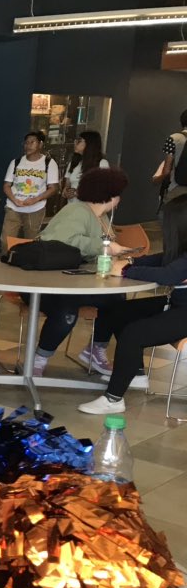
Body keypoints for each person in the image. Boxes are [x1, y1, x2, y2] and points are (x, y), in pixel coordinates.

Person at [78, 194, 187, 414]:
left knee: (133, 334)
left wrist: (127, 270)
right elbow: (163, 260)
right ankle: (135, 373)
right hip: (178, 304)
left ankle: (113, 399)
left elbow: (169, 274)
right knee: (119, 311)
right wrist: (131, 261)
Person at [26, 168, 133, 377]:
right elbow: (62, 242)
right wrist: (108, 248)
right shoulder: (77, 212)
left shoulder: (101, 218)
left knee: (117, 300)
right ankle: (39, 358)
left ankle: (96, 349)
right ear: (110, 194)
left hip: (75, 283)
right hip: (48, 284)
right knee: (67, 310)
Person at [1, 131, 60, 239]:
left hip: (36, 208)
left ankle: (25, 256)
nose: (28, 145)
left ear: (40, 144)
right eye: (26, 143)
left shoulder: (49, 163)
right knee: (6, 240)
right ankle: (7, 256)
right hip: (13, 206)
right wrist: (14, 200)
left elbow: (53, 188)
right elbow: (6, 185)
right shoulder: (16, 162)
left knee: (30, 240)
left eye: (32, 142)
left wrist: (35, 200)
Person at [61, 130, 109, 204]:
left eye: (79, 140)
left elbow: (103, 191)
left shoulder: (102, 164)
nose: (75, 143)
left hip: (90, 210)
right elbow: (67, 185)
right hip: (72, 209)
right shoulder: (73, 163)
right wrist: (66, 192)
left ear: (89, 144)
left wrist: (78, 193)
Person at [155, 108, 187, 205]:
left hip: (176, 190)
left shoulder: (174, 138)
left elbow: (167, 171)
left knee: (169, 218)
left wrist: (156, 179)